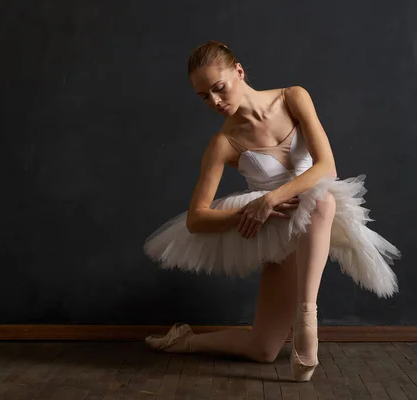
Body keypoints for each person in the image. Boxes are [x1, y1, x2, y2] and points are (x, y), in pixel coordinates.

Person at [142, 40, 401, 382]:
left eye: (219, 88)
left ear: (239, 71)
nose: (215, 102)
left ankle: (307, 319)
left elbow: (326, 168)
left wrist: (270, 198)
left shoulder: (292, 97)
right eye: (205, 96)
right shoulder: (224, 143)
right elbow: (196, 218)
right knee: (263, 350)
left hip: (316, 217)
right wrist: (246, 213)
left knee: (322, 197)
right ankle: (188, 341)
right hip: (279, 233)